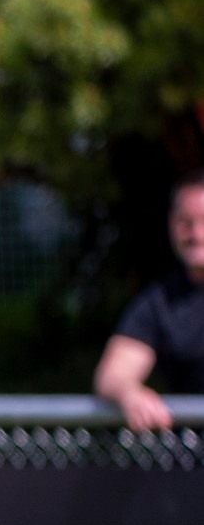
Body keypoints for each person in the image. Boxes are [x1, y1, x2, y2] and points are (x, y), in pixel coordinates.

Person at [95, 169, 204, 431]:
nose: (196, 233)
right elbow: (113, 373)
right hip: (190, 461)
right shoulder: (161, 300)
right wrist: (130, 394)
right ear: (171, 223)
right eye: (186, 221)